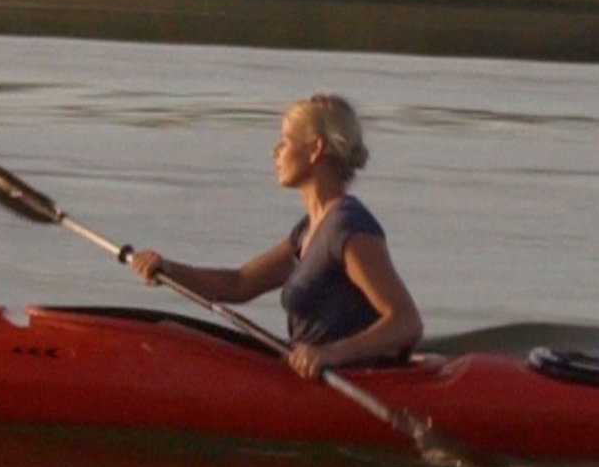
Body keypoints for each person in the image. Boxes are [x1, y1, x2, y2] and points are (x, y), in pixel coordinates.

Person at [129, 93, 422, 380]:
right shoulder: (307, 231)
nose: (275, 151)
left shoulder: (349, 229)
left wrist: (331, 354)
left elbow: (406, 322)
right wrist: (167, 269)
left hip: (343, 379)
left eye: (286, 141)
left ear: (316, 149)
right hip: (304, 370)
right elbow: (239, 284)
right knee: (174, 332)